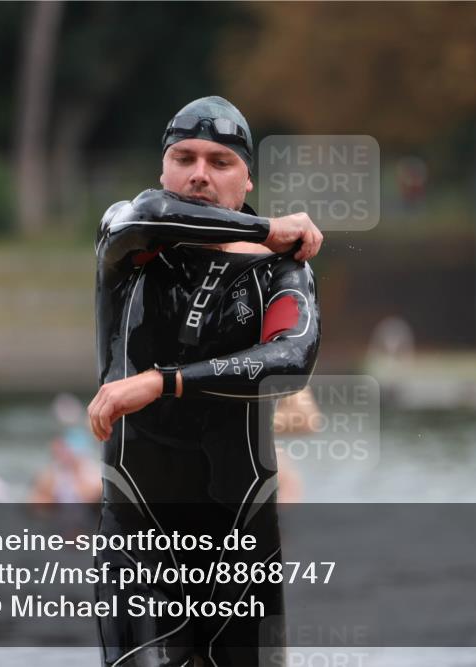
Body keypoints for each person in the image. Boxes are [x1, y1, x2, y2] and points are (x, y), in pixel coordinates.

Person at [87, 96, 322, 666]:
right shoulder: (128, 239)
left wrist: (162, 383)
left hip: (243, 539)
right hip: (139, 531)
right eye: (184, 157)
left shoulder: (281, 271)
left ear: (246, 179)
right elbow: (150, 215)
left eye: (219, 162)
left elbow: (292, 359)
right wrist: (267, 227)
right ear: (163, 170)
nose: (198, 174)